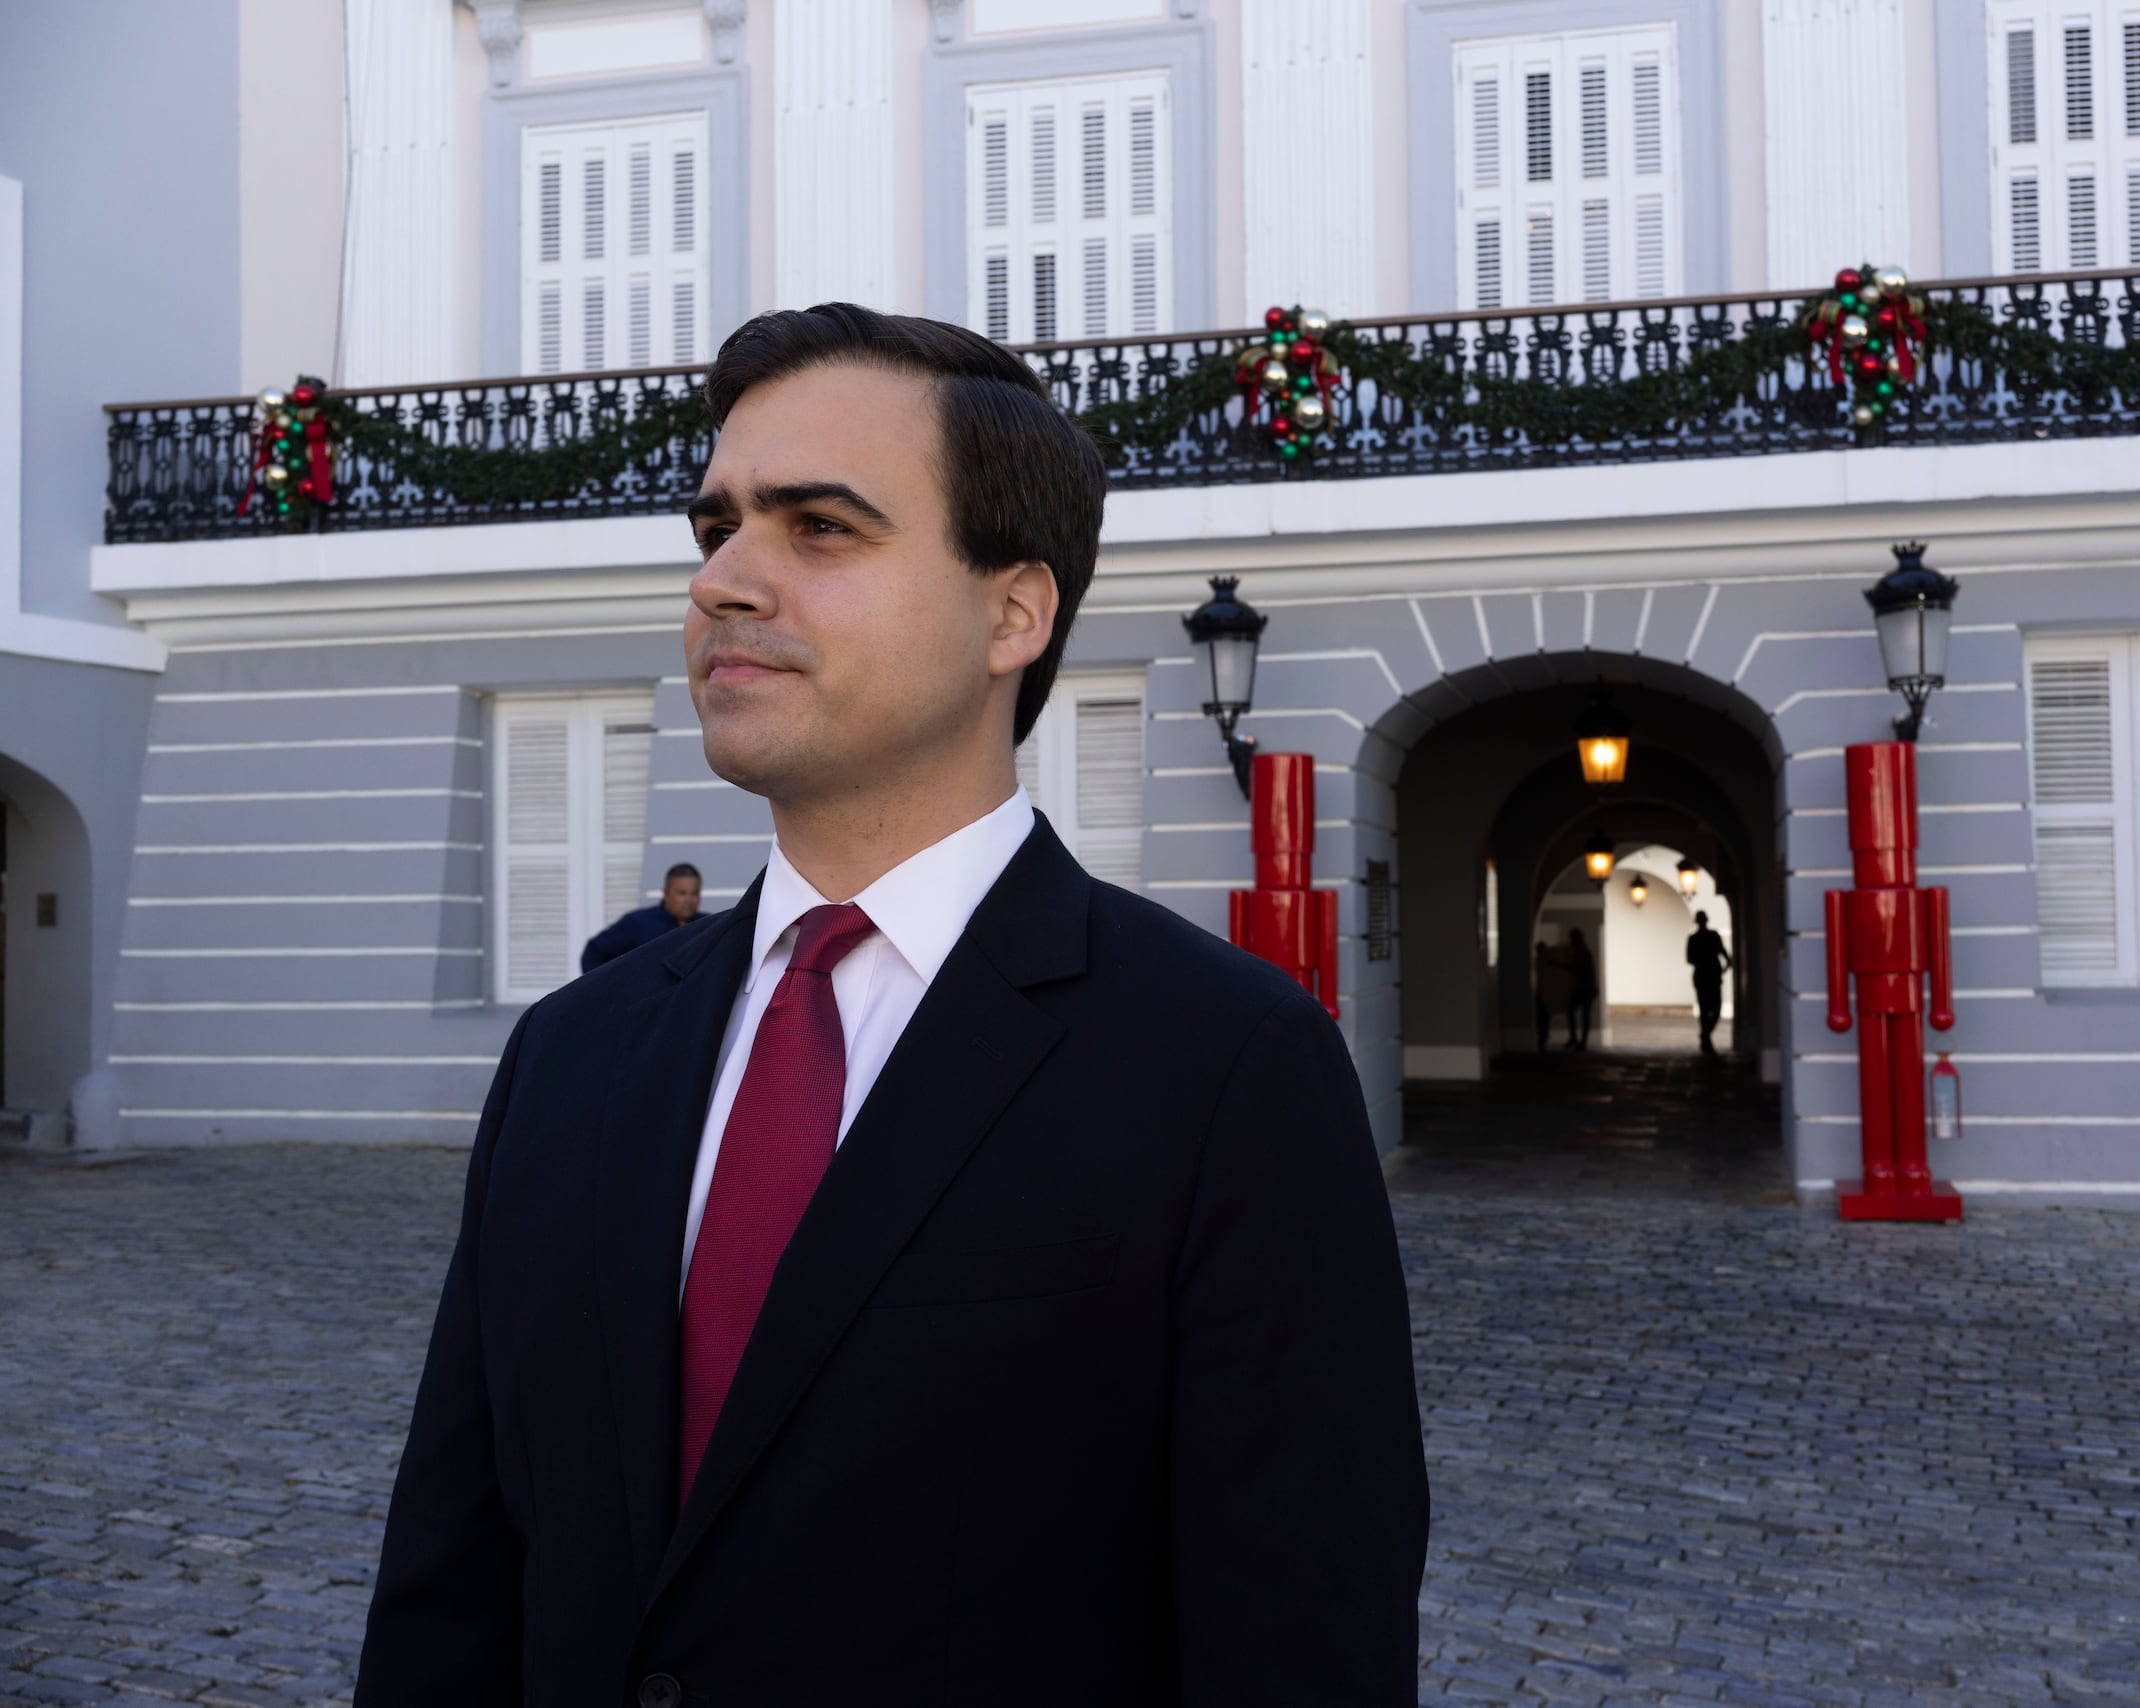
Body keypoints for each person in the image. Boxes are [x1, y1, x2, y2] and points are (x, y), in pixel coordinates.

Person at [356, 306, 1427, 1705]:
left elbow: (1300, 1645)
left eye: (819, 528)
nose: (725, 582)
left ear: (1014, 612)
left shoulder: (1223, 1071)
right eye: (716, 527)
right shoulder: (573, 1055)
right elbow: (456, 1579)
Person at [580, 863, 704, 972]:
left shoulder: (707, 926)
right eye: (682, 893)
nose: (689, 900)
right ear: (666, 893)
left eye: (694, 893)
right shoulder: (638, 923)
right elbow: (594, 952)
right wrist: (606, 991)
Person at [1687, 911, 1733, 1059]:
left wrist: (1725, 965)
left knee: (1715, 1008)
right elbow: (1689, 958)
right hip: (1705, 976)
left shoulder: (1713, 936)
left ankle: (1705, 1035)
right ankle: (1706, 1037)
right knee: (1705, 1008)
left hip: (1711, 976)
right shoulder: (1694, 938)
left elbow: (1723, 952)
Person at [1533, 939, 1572, 1051]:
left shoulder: (1543, 961)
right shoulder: (1542, 961)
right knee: (1543, 1021)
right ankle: (1542, 1040)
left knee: (1543, 1021)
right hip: (1542, 996)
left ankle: (1543, 1040)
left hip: (1543, 996)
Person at [1564, 926, 1597, 1052]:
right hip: (1584, 988)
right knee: (1581, 1015)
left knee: (1581, 1015)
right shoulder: (1582, 951)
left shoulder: (1582, 952)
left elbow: (1573, 967)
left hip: (1584, 989)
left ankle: (1579, 1041)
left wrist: (1557, 965)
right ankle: (1578, 1040)